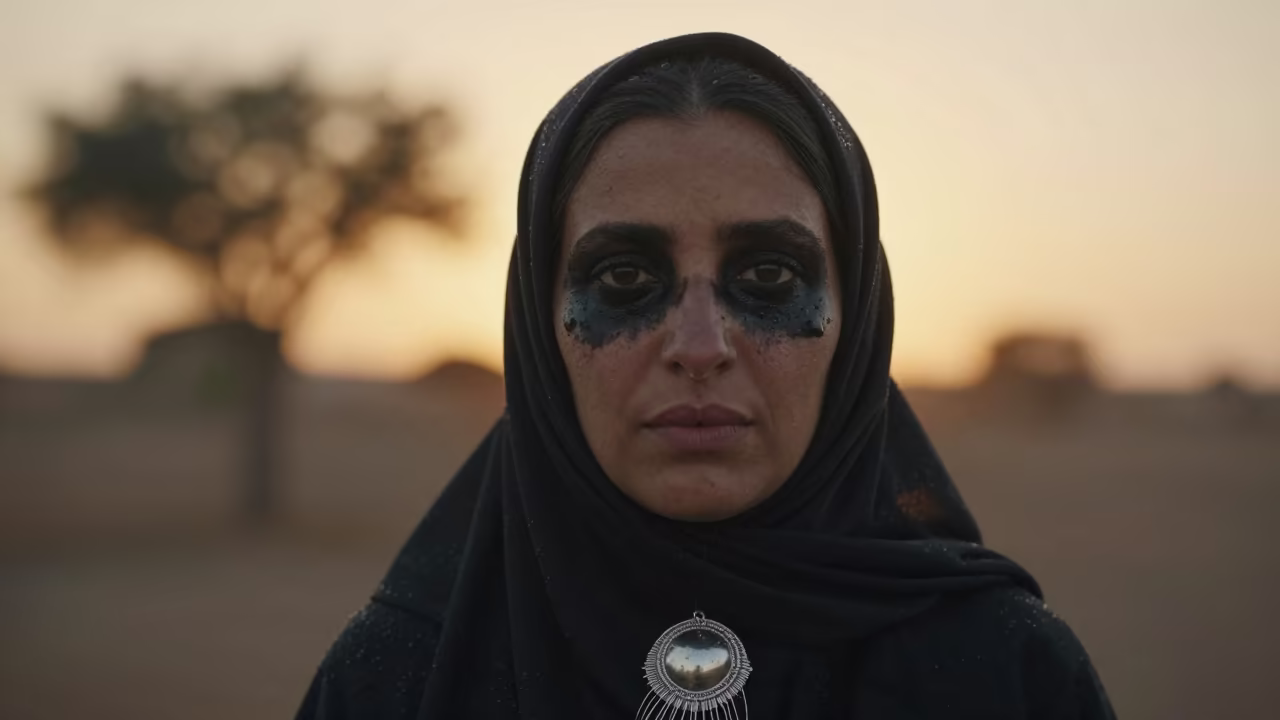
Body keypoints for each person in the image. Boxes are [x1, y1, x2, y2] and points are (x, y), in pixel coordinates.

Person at [296, 32, 1114, 719]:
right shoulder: (397, 680)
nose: (698, 344)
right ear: (539, 327)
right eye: (622, 279)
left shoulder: (1006, 675)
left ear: (857, 317)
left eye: (767, 278)